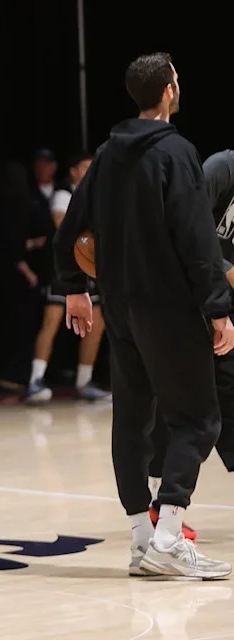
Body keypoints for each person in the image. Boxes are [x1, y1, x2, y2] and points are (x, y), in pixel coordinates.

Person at [53, 52, 234, 579]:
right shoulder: (176, 152)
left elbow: (72, 228)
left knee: (132, 421)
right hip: (170, 308)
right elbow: (197, 240)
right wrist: (218, 309)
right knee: (199, 420)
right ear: (170, 92)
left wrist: (73, 289)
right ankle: (169, 536)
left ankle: (141, 539)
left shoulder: (108, 153)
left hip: (121, 307)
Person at [146, 147, 234, 541]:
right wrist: (227, 273)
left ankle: (163, 503)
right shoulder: (221, 168)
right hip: (191, 299)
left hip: (223, 305)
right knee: (184, 407)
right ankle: (159, 501)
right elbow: (187, 229)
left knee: (224, 397)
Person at [25, 150, 111, 402]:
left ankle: (84, 382)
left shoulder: (98, 198)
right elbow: (63, 227)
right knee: (52, 320)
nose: (88, 171)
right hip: (65, 268)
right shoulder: (64, 195)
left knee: (97, 321)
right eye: (84, 167)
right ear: (73, 171)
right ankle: (35, 379)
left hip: (90, 269)